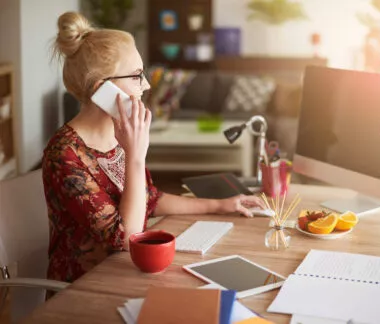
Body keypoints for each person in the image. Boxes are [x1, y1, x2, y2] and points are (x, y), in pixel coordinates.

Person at [42, 12, 264, 283]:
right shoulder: (64, 154)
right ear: (103, 89)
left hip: (129, 272)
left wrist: (220, 205)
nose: (146, 85)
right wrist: (135, 156)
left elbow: (148, 199)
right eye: (136, 76)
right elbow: (126, 238)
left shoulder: (120, 133)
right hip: (87, 287)